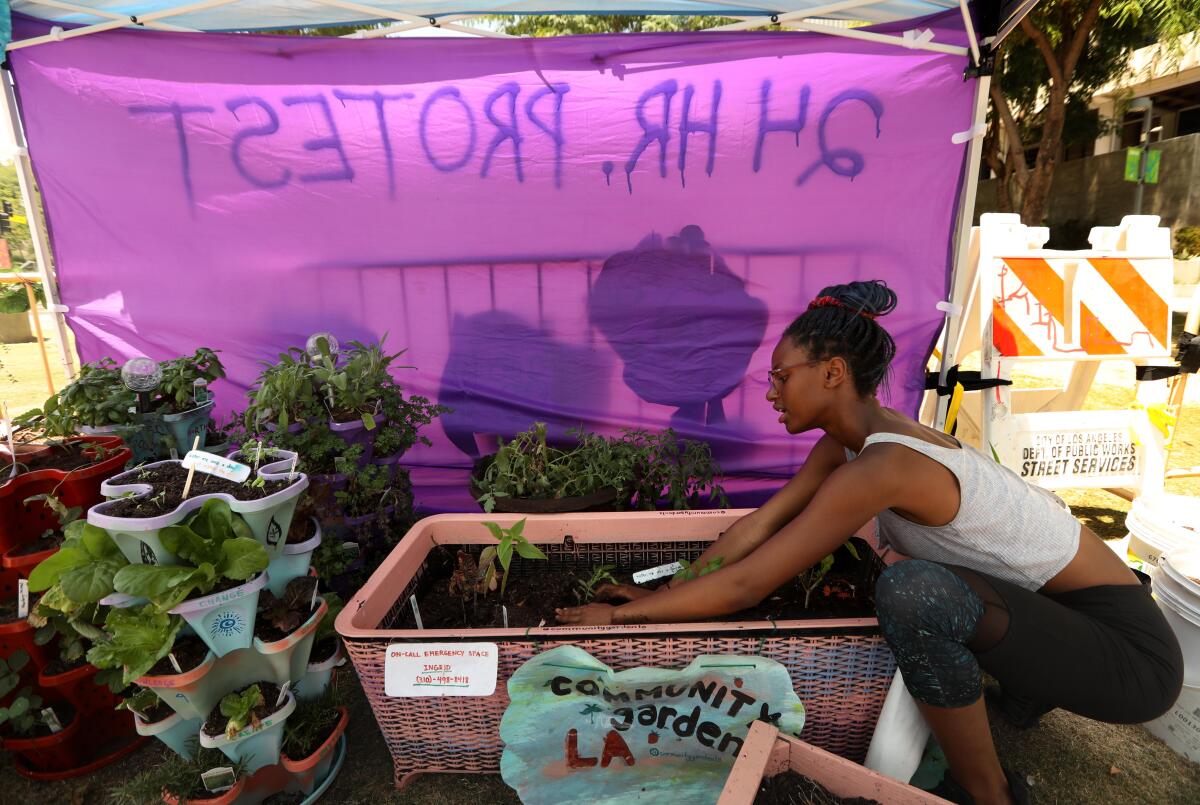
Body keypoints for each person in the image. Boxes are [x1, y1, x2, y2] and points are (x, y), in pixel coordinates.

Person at [555, 280, 1183, 805]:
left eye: (780, 376)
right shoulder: (853, 443)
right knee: (933, 587)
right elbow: (760, 526)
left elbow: (752, 583)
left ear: (832, 372)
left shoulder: (884, 465)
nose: (769, 391)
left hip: (1131, 658)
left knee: (912, 592)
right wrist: (676, 587)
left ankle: (991, 795)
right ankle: (1027, 687)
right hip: (1050, 613)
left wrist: (624, 617)